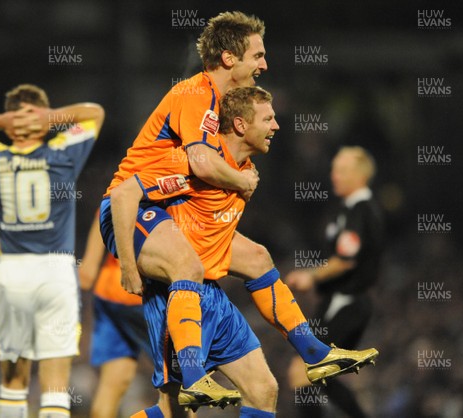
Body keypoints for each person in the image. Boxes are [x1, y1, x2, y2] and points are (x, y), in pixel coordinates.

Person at [105, 86, 378, 417]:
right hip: (176, 296)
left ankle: (314, 352)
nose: (276, 126)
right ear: (239, 124)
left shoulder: (243, 172)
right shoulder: (191, 162)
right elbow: (123, 196)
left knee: (264, 390)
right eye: (268, 118)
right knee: (174, 410)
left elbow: (211, 234)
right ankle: (195, 376)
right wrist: (130, 268)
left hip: (212, 296)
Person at [101, 11, 268, 410]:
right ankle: (197, 378)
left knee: (258, 259)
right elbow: (201, 163)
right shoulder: (197, 93)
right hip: (136, 210)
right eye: (258, 55)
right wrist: (242, 180)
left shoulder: (218, 102)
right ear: (230, 58)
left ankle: (312, 348)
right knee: (189, 269)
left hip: (171, 216)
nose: (264, 65)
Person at [0, 84, 105, 418]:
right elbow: (95, 112)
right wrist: (50, 118)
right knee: (55, 383)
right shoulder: (63, 152)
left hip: (10, 275)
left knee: (13, 382)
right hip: (55, 274)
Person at [286, 146, 384, 417]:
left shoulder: (361, 211)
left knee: (306, 373)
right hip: (337, 302)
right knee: (309, 375)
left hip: (349, 304)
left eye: (341, 170)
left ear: (360, 176)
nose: (334, 175)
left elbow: (346, 260)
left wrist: (311, 275)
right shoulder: (348, 210)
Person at [78, 212, 152, 418]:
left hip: (110, 290)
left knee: (112, 384)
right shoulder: (173, 183)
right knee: (181, 387)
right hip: (146, 296)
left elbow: (107, 208)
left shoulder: (125, 182)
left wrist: (90, 262)